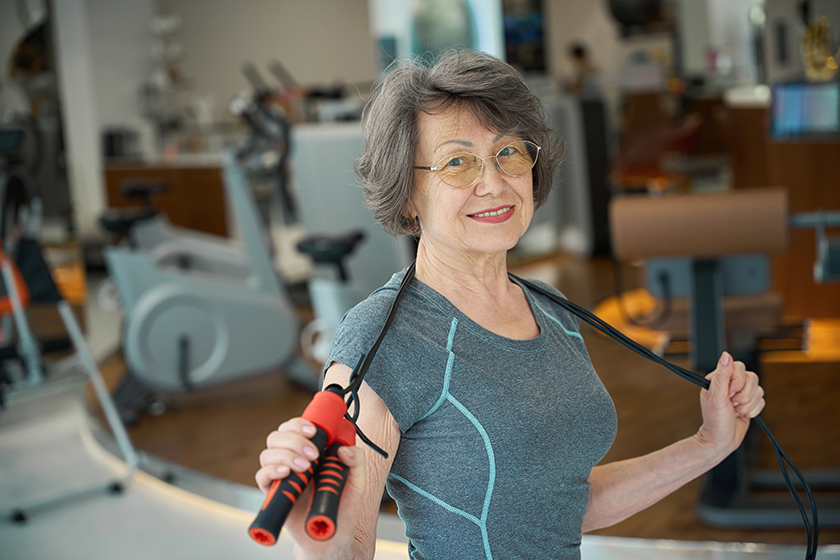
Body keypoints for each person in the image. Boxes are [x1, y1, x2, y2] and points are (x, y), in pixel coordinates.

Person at [255, 49, 765, 560]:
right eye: (457, 162)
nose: (494, 182)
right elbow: (351, 542)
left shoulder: (553, 309)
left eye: (509, 153)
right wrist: (318, 544)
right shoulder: (382, 339)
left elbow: (560, 507)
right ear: (408, 194)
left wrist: (708, 445)